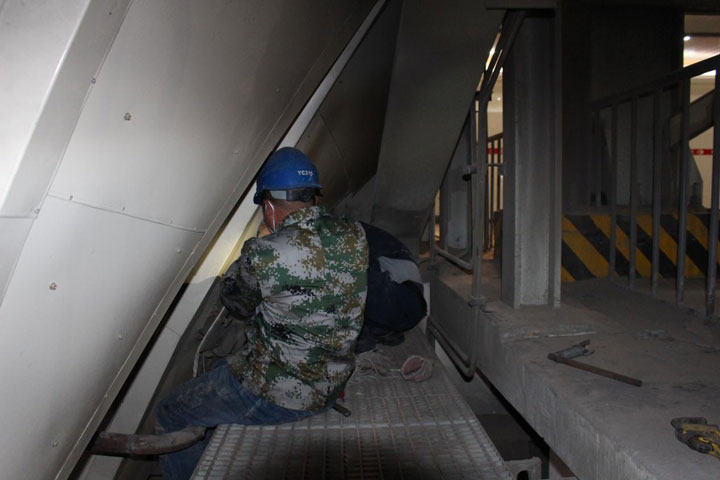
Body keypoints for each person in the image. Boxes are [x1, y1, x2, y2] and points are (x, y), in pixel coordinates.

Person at [155, 147, 368, 479]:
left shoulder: (265, 252)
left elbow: (237, 303)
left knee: (171, 412)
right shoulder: (354, 234)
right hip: (331, 382)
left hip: (279, 395)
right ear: (313, 196)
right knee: (222, 375)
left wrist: (259, 242)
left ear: (268, 207)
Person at [354, 222, 427, 354]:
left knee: (339, 276)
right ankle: (378, 330)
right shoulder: (345, 229)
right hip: (407, 304)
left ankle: (367, 336)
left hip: (403, 299)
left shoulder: (340, 232)